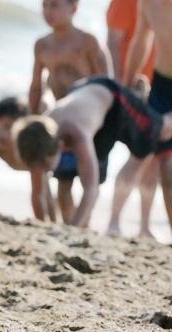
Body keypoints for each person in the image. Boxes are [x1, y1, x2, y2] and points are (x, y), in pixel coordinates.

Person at [14, 76, 172, 227]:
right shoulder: (36, 136)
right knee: (94, 156)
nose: (44, 171)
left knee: (160, 132)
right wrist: (42, 224)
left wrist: (71, 229)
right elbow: (38, 193)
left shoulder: (78, 133)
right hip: (81, 95)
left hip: (111, 96)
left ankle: (134, 98)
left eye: (47, 167)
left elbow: (91, 189)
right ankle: (136, 96)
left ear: (61, 145)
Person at [29, 0, 110, 221]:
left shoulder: (87, 42)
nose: (48, 11)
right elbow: (36, 85)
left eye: (55, 5)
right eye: (44, 5)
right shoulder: (42, 46)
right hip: (60, 124)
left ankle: (82, 226)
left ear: (73, 8)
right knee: (63, 186)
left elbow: (106, 83)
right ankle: (70, 229)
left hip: (90, 123)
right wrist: (32, 120)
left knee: (89, 182)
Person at [121, 0, 172, 238]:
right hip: (163, 85)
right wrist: (127, 84)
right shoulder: (147, 0)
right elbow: (140, 43)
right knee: (166, 168)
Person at [105, 0, 158, 237]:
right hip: (134, 89)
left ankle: (144, 226)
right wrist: (121, 84)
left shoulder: (164, 0)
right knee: (139, 157)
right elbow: (114, 43)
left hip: (162, 91)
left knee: (154, 160)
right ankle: (114, 221)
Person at [0, 97, 56, 221]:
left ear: (21, 127)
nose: (0, 133)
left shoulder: (29, 148)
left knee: (44, 189)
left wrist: (45, 223)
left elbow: (39, 194)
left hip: (40, 161)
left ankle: (54, 219)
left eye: (7, 127)